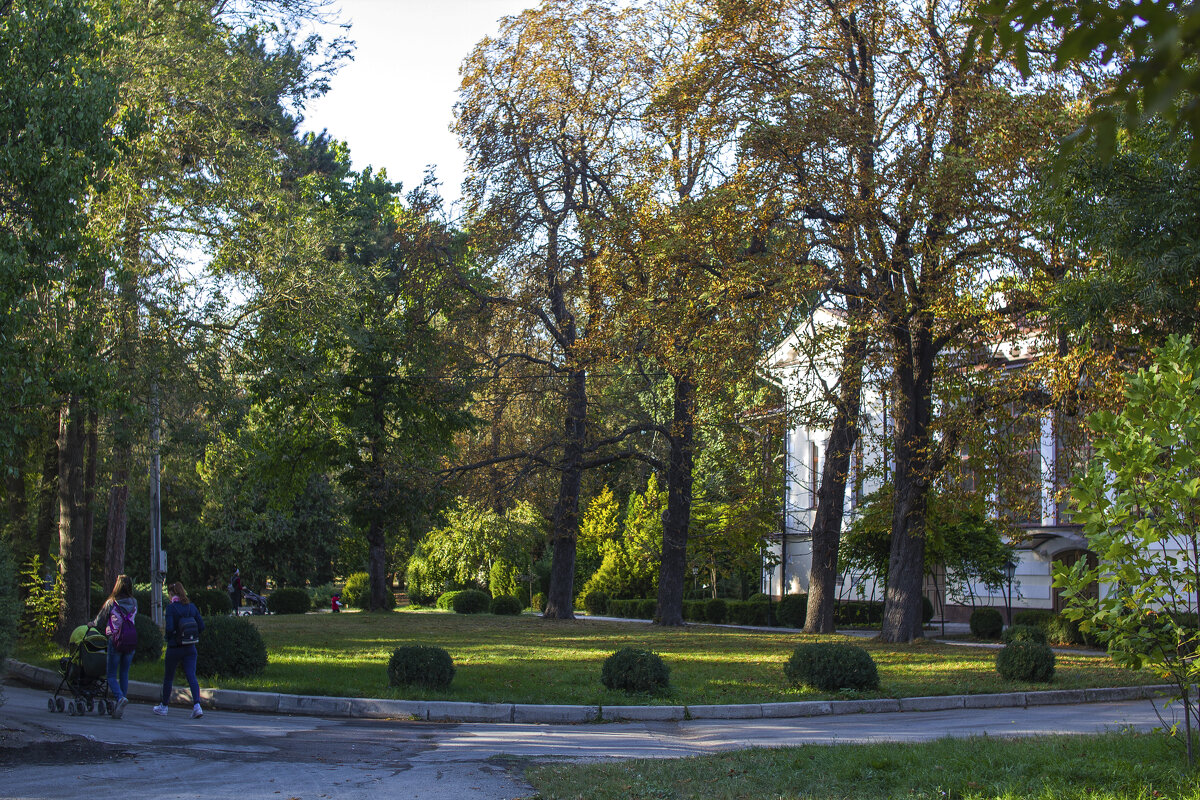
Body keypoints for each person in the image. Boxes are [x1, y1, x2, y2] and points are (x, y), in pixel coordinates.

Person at [155, 581, 206, 719]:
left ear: (172, 594)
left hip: (175, 647)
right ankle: (197, 705)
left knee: (169, 677)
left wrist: (170, 637)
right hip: (190, 647)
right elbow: (201, 626)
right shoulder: (192, 607)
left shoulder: (171, 608)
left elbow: (170, 628)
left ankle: (164, 706)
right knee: (191, 675)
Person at [92, 574, 137, 720]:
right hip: (130, 641)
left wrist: (91, 624)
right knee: (124, 673)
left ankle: (119, 698)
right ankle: (121, 701)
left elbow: (100, 619)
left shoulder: (112, 602)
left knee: (111, 674)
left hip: (115, 640)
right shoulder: (134, 602)